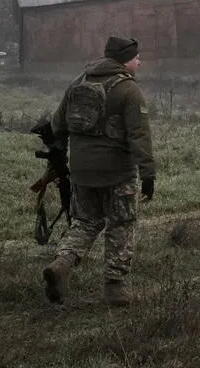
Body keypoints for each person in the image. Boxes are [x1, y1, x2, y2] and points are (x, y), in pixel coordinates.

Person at [42, 36, 155, 307]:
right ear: (124, 59)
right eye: (136, 57)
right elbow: (139, 135)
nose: (140, 61)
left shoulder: (79, 82)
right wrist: (148, 173)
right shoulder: (128, 89)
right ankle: (115, 289)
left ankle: (62, 264)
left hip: (81, 171)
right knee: (120, 225)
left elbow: (58, 125)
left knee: (85, 222)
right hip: (117, 173)